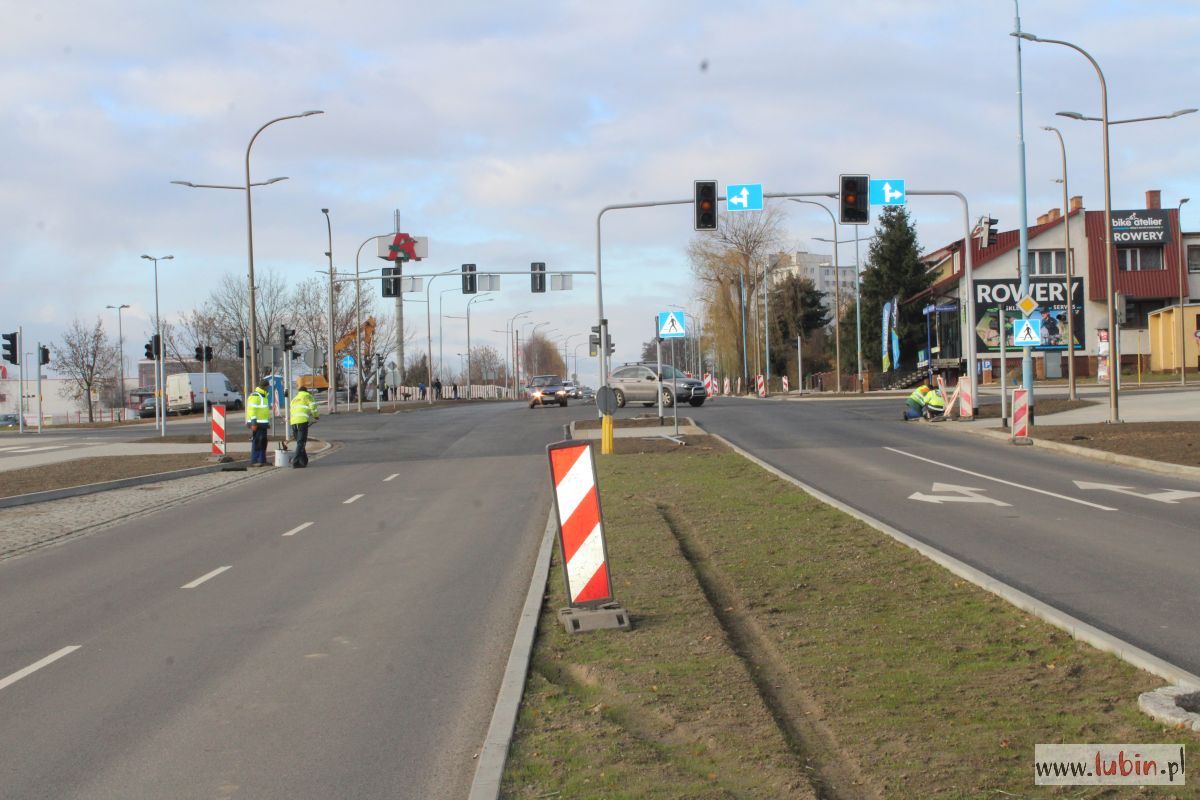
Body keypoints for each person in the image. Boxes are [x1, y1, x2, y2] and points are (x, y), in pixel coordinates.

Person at [289, 385, 319, 468]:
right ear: (306, 391)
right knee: (301, 442)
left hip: (293, 422)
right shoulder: (308, 396)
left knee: (299, 442)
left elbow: (291, 410)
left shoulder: (294, 399)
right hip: (302, 421)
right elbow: (313, 407)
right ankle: (295, 461)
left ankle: (303, 461)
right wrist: (316, 415)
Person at [246, 380, 271, 466]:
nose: (269, 388)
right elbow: (251, 410)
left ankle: (262, 460)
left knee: (263, 442)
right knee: (257, 441)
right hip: (257, 423)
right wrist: (253, 423)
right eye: (268, 386)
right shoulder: (255, 396)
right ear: (265, 387)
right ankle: (255, 460)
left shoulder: (263, 396)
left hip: (262, 424)